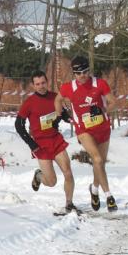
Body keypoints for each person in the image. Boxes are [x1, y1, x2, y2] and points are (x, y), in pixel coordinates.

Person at [54, 56, 118, 212]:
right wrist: (60, 114)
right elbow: (58, 100)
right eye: (77, 73)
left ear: (88, 71)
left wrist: (103, 110)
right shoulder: (69, 88)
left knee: (100, 163)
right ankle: (109, 196)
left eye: (84, 72)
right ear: (74, 74)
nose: (81, 76)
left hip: (103, 129)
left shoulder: (99, 84)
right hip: (84, 130)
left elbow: (114, 103)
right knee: (96, 159)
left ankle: (94, 190)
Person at [15, 70, 78, 213]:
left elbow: (63, 114)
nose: (41, 86)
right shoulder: (29, 103)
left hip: (56, 140)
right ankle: (38, 175)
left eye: (43, 83)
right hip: (40, 145)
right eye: (37, 84)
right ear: (33, 85)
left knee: (68, 173)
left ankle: (69, 204)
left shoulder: (55, 97)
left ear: (47, 82)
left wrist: (69, 120)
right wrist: (32, 144)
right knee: (51, 182)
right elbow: (18, 125)